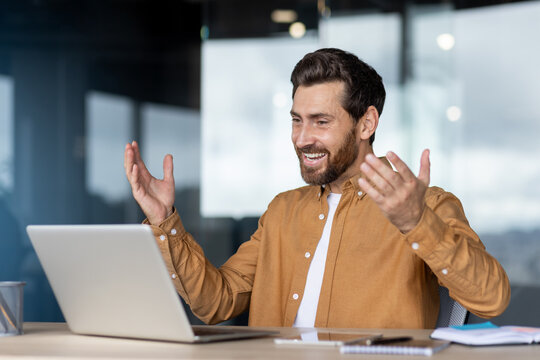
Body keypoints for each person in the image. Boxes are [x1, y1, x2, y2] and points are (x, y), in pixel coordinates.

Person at [124, 48, 510, 328]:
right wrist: (165, 221)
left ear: (366, 124)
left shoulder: (427, 205)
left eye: (321, 122)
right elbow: (217, 302)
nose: (302, 138)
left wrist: (416, 223)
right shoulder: (282, 211)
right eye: (297, 120)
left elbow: (491, 299)